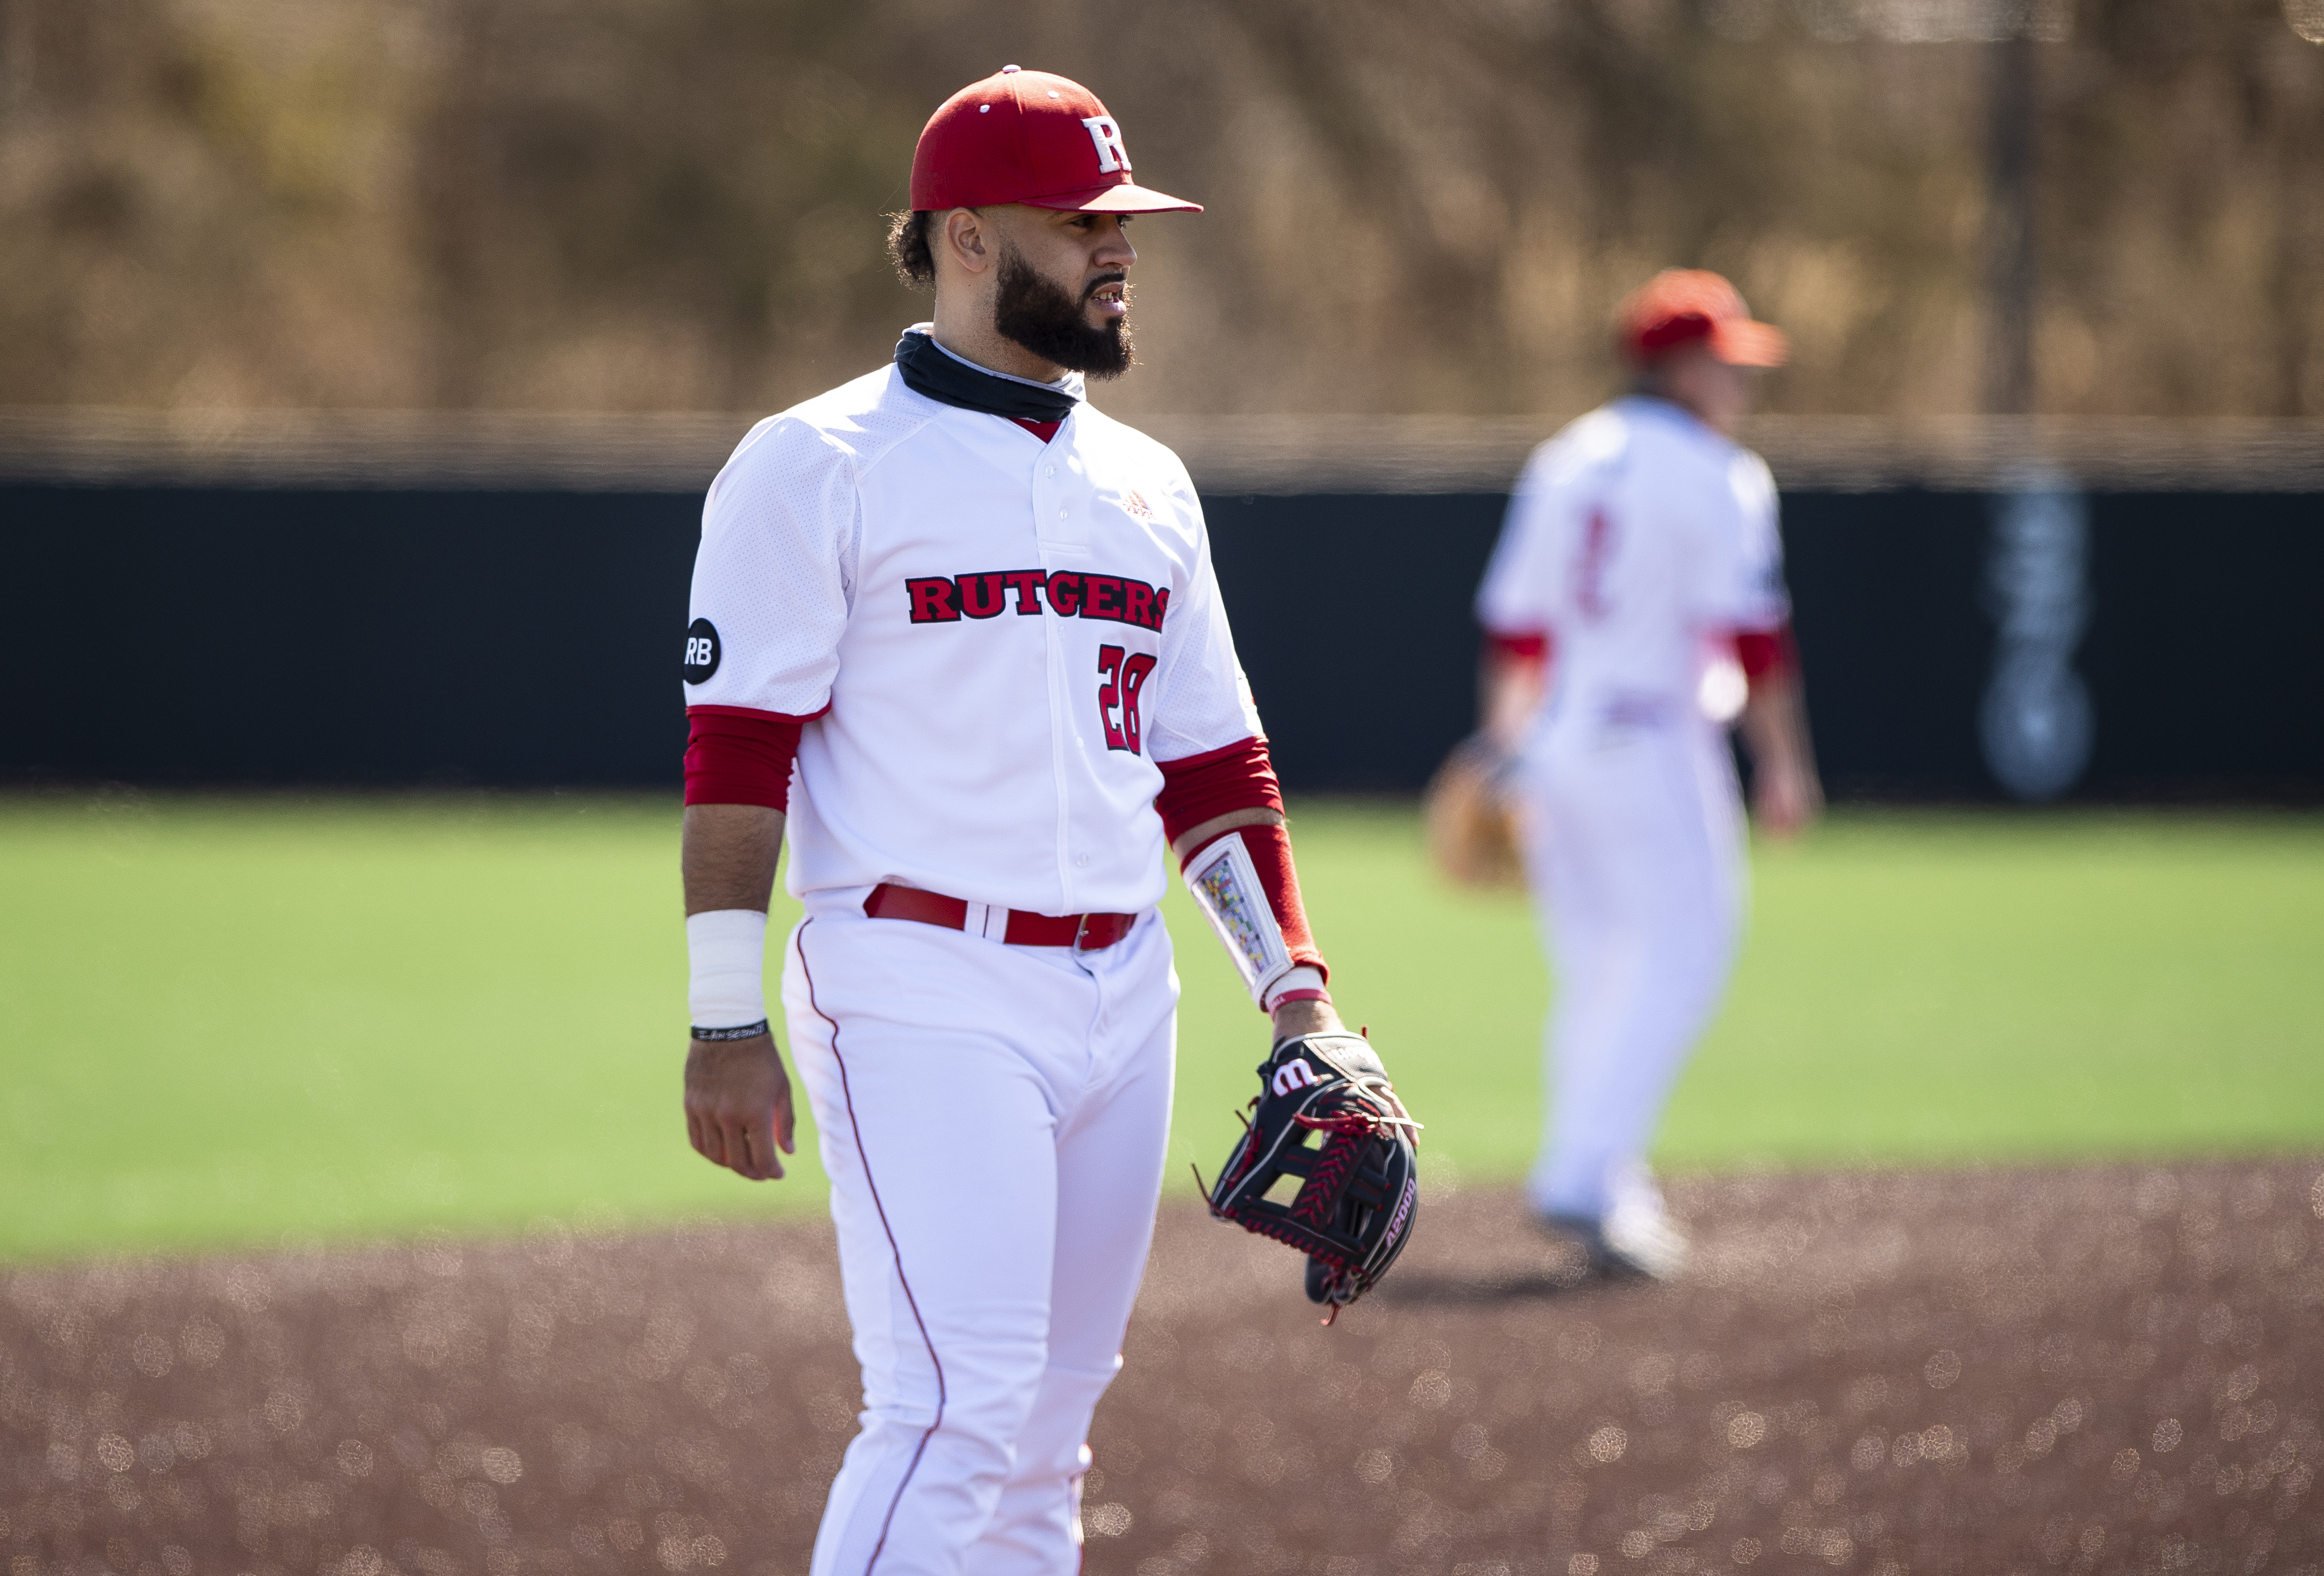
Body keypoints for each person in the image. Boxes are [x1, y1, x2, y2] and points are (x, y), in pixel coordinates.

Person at [673, 66, 1376, 1576]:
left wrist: (1298, 992)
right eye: (1082, 222)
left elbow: (1210, 769)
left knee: (1051, 1434)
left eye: (1125, 221)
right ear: (969, 238)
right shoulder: (818, 464)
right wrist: (723, 1015)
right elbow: (737, 759)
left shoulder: (1147, 484)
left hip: (1126, 995)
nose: (1119, 249)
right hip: (922, 984)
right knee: (950, 1411)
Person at [1473, 269, 1823, 1281]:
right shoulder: (1717, 474)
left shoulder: (1566, 457)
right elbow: (1754, 640)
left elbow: (1516, 628)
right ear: (1677, 364)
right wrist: (1785, 768)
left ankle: (1606, 1181)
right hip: (1653, 734)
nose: (1740, 383)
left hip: (1555, 739)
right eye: (1726, 361)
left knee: (1598, 971)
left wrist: (1502, 753)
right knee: (1687, 949)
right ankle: (1580, 1176)